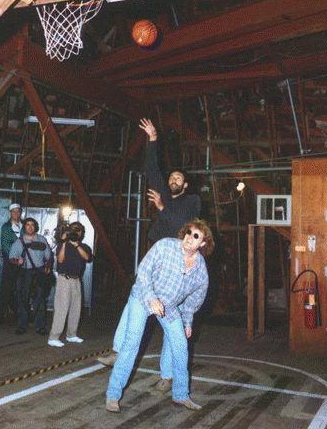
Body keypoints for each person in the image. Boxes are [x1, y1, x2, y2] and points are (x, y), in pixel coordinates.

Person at [98, 118, 202, 376]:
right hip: (158, 254)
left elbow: (184, 226)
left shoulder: (192, 202)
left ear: (185, 184)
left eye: (178, 177)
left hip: (179, 259)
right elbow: (152, 168)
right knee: (137, 294)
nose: (174, 179)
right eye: (172, 177)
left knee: (172, 314)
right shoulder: (163, 194)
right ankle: (118, 350)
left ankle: (167, 376)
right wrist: (152, 139)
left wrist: (163, 208)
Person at [105, 219, 214, 413]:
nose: (189, 237)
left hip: (168, 306)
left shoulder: (200, 271)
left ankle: (181, 395)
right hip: (142, 297)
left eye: (196, 236)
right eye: (188, 232)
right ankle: (113, 395)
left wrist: (188, 321)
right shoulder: (165, 246)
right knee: (132, 342)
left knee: (181, 346)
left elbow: (193, 300)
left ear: (203, 243)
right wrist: (151, 298)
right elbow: (143, 272)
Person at [48, 221, 92, 348]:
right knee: (62, 308)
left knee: (76, 309)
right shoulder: (63, 245)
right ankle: (53, 337)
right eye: (75, 230)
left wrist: (76, 244)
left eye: (79, 230)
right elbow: (60, 260)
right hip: (64, 279)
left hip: (77, 280)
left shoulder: (84, 246)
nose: (77, 232)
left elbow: (87, 258)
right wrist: (63, 242)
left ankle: (71, 335)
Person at [9, 217, 52, 335]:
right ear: (25, 227)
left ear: (35, 227)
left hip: (39, 272)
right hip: (25, 273)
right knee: (23, 300)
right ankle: (22, 325)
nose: (30, 227)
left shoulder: (42, 239)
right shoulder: (20, 241)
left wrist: (48, 267)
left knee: (40, 299)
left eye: (32, 225)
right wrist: (17, 261)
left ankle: (40, 326)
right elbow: (11, 257)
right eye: (27, 224)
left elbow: (49, 256)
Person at [0, 203, 23, 323]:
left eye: (18, 211)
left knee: (21, 289)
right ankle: (0, 316)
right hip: (10, 262)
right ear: (10, 213)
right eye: (14, 211)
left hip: (24, 263)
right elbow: (5, 245)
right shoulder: (6, 227)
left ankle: (20, 315)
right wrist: (15, 258)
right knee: (6, 288)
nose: (16, 214)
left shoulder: (25, 226)